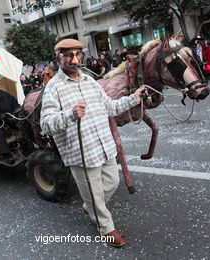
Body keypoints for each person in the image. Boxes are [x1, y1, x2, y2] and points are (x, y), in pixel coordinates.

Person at [40, 38, 146, 248]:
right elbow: (46, 124)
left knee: (113, 183)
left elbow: (110, 107)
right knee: (96, 196)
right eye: (69, 55)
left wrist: (133, 98)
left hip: (104, 148)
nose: (74, 59)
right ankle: (106, 228)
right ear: (59, 58)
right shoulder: (53, 88)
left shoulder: (89, 81)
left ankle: (90, 206)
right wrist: (70, 114)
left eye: (78, 54)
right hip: (81, 153)